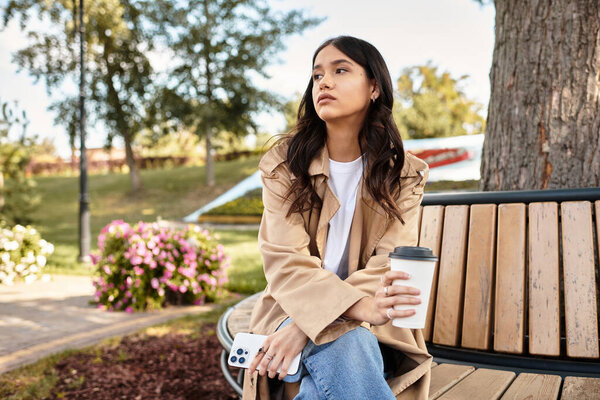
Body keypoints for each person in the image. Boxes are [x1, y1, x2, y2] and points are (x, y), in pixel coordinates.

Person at [242, 35, 433, 400]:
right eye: (317, 76)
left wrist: (308, 326)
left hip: (377, 323)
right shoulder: (285, 166)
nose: (324, 82)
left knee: (340, 355)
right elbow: (286, 262)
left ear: (374, 86)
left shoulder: (404, 175)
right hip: (291, 306)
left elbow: (389, 264)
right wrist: (327, 315)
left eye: (340, 70)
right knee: (348, 343)